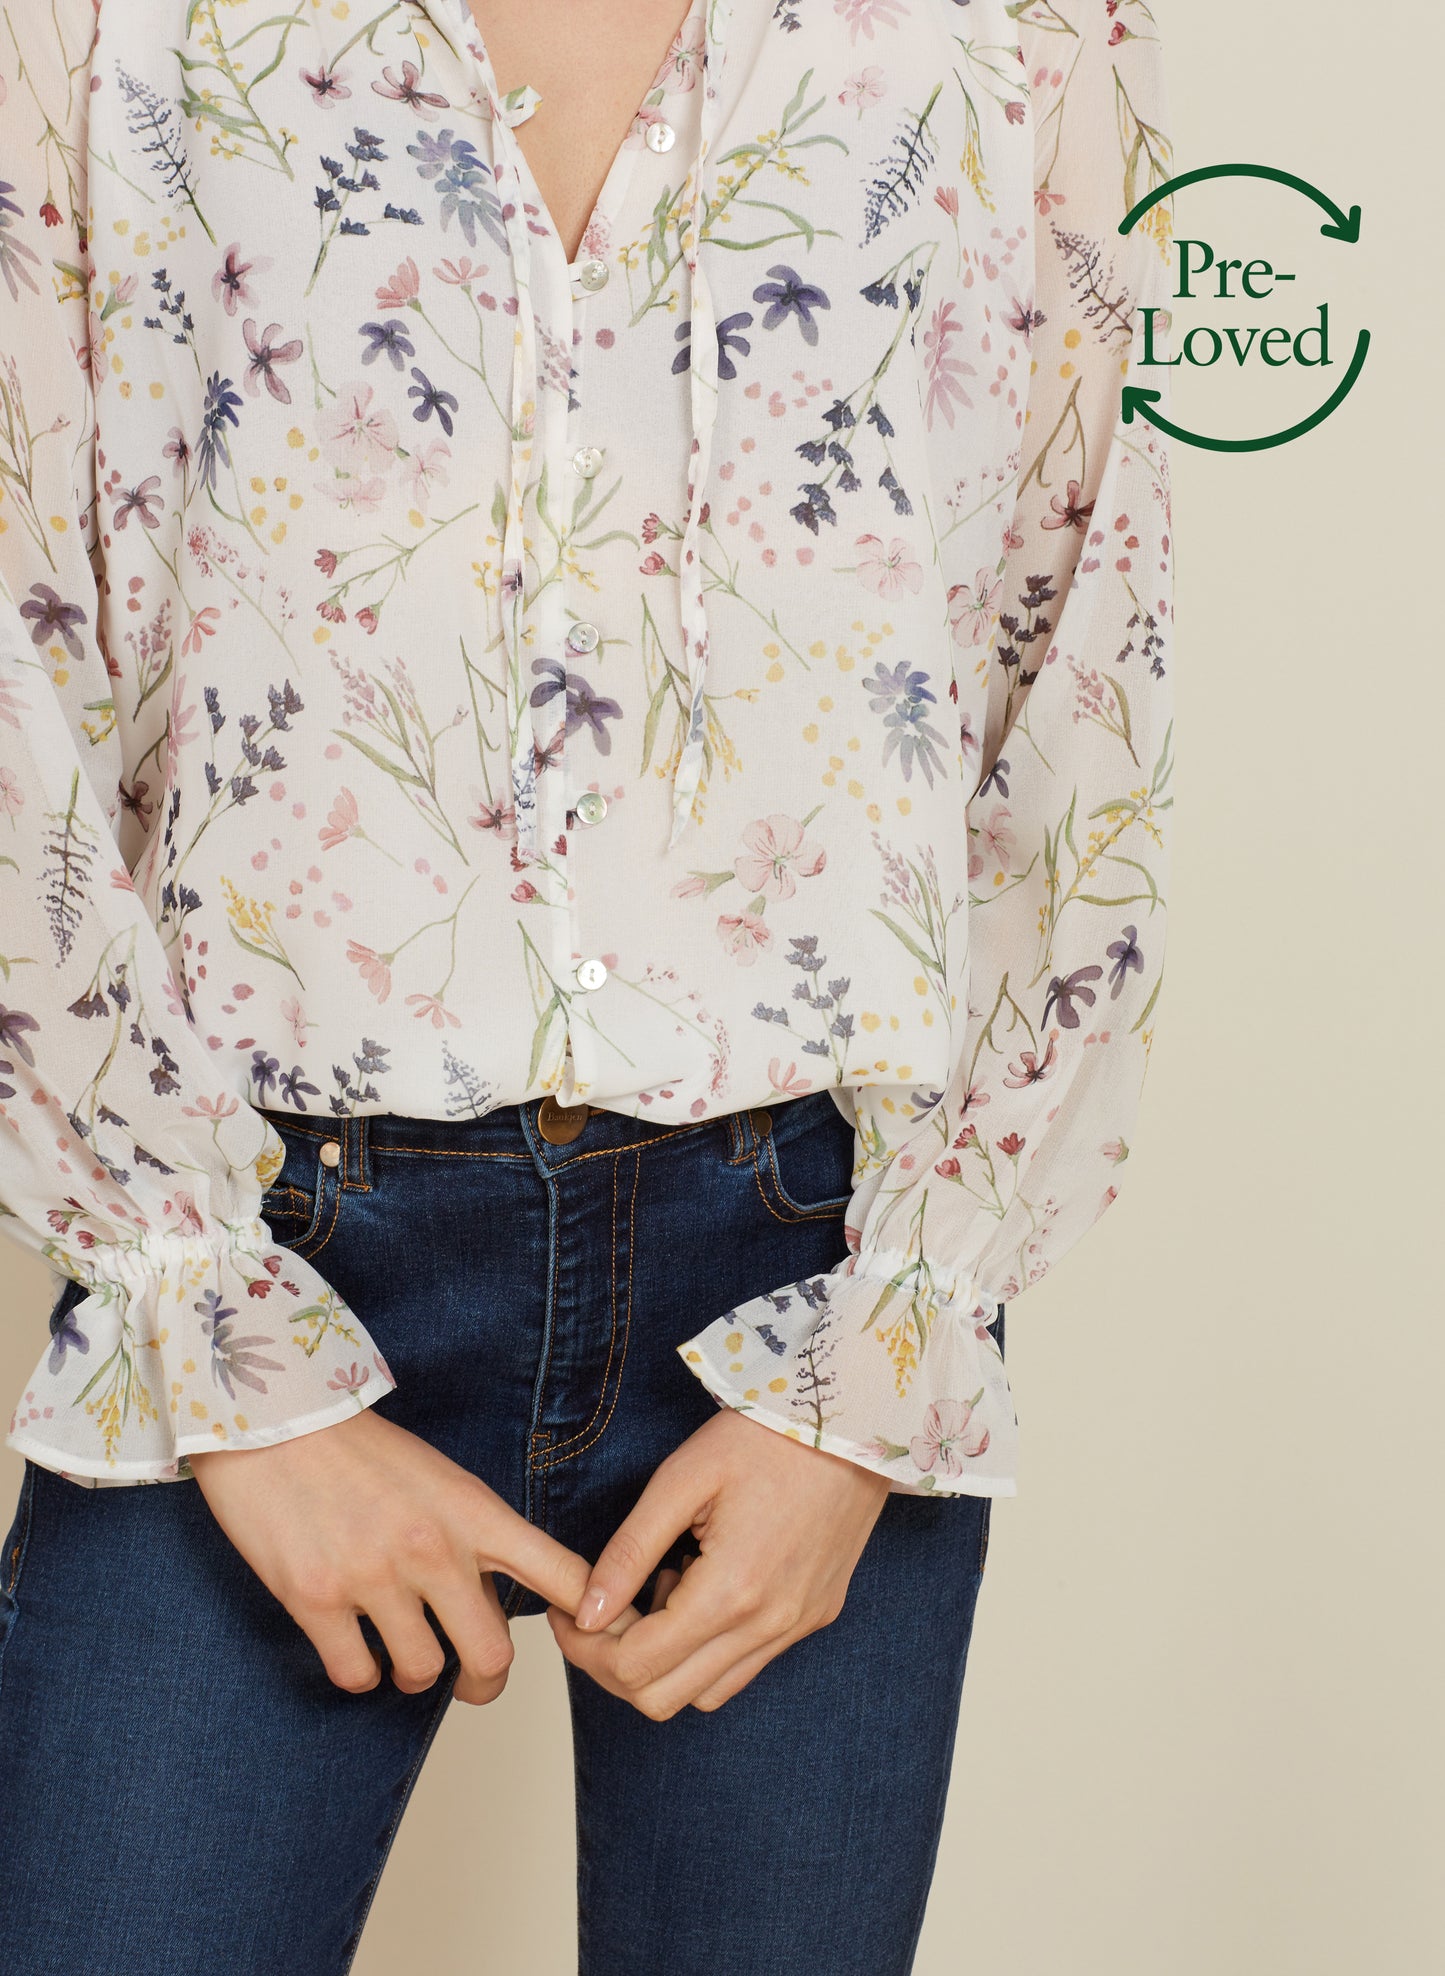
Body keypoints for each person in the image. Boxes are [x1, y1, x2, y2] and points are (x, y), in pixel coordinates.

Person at [0, 1, 1175, 1969]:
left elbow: (1078, 653)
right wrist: (213, 1344)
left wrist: (886, 1353)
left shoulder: (1022, 26)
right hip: (259, 1238)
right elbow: (21, 634)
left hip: (809, 1265)